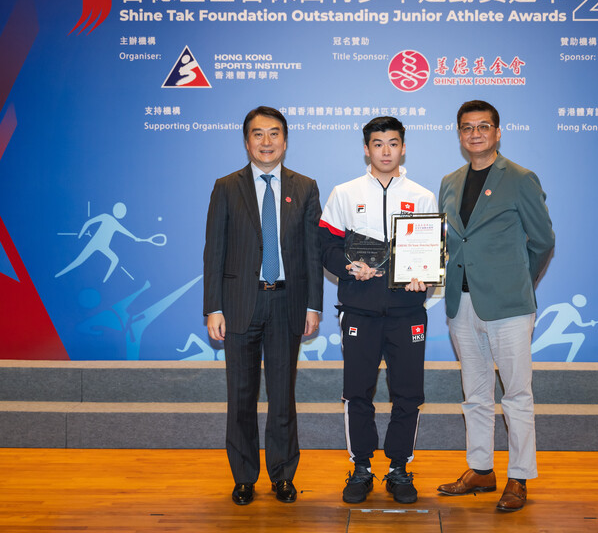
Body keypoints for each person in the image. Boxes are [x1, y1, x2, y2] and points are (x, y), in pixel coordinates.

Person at [435, 100, 554, 512]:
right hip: (461, 302)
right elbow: (450, 242)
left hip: (508, 305)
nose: (475, 134)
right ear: (459, 134)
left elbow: (542, 242)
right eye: (467, 127)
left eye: (483, 126)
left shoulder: (519, 178)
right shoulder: (450, 181)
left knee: (517, 394)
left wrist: (518, 281)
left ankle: (518, 477)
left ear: (498, 132)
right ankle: (481, 469)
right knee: (475, 392)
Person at [204, 106, 323, 506]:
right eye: (258, 134)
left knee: (282, 396)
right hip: (239, 305)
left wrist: (314, 306)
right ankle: (243, 477)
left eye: (274, 134)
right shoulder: (226, 186)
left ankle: (283, 476)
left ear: (285, 140)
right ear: (247, 140)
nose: (267, 142)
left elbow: (312, 253)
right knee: (240, 396)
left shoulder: (305, 187)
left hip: (288, 302)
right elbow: (214, 252)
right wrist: (213, 307)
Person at [319, 116, 437, 504]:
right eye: (378, 143)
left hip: (406, 311)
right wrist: (348, 268)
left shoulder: (421, 196)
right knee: (357, 393)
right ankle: (361, 467)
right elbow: (327, 247)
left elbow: (431, 252)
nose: (385, 151)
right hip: (359, 311)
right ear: (366, 149)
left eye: (393, 143)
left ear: (403, 147)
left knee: (408, 394)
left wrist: (425, 278)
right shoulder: (344, 192)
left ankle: (400, 467)